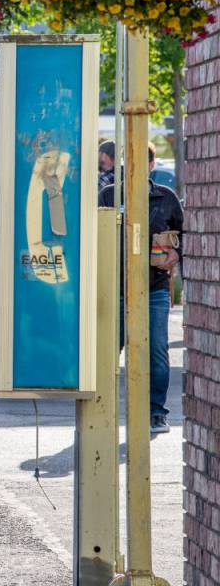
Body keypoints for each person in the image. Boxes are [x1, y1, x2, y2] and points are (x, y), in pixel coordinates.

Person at [99, 145, 183, 434]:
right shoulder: (109, 195)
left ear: (151, 164)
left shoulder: (166, 197)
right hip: (117, 288)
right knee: (109, 350)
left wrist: (177, 254)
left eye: (139, 162)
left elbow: (185, 235)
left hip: (155, 287)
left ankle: (156, 413)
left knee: (157, 349)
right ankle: (104, 412)